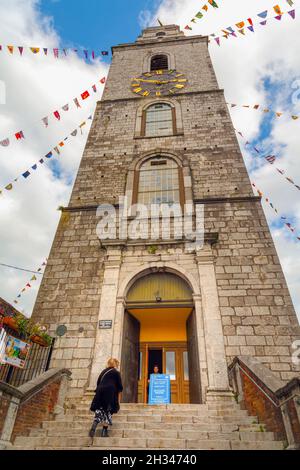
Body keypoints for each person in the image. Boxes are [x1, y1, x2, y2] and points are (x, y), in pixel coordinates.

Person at [89, 357, 123, 438]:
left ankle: (94, 425)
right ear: (115, 364)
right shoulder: (116, 372)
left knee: (99, 410)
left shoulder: (103, 372)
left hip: (100, 392)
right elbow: (120, 386)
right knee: (108, 411)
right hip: (110, 393)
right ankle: (104, 431)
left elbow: (98, 383)